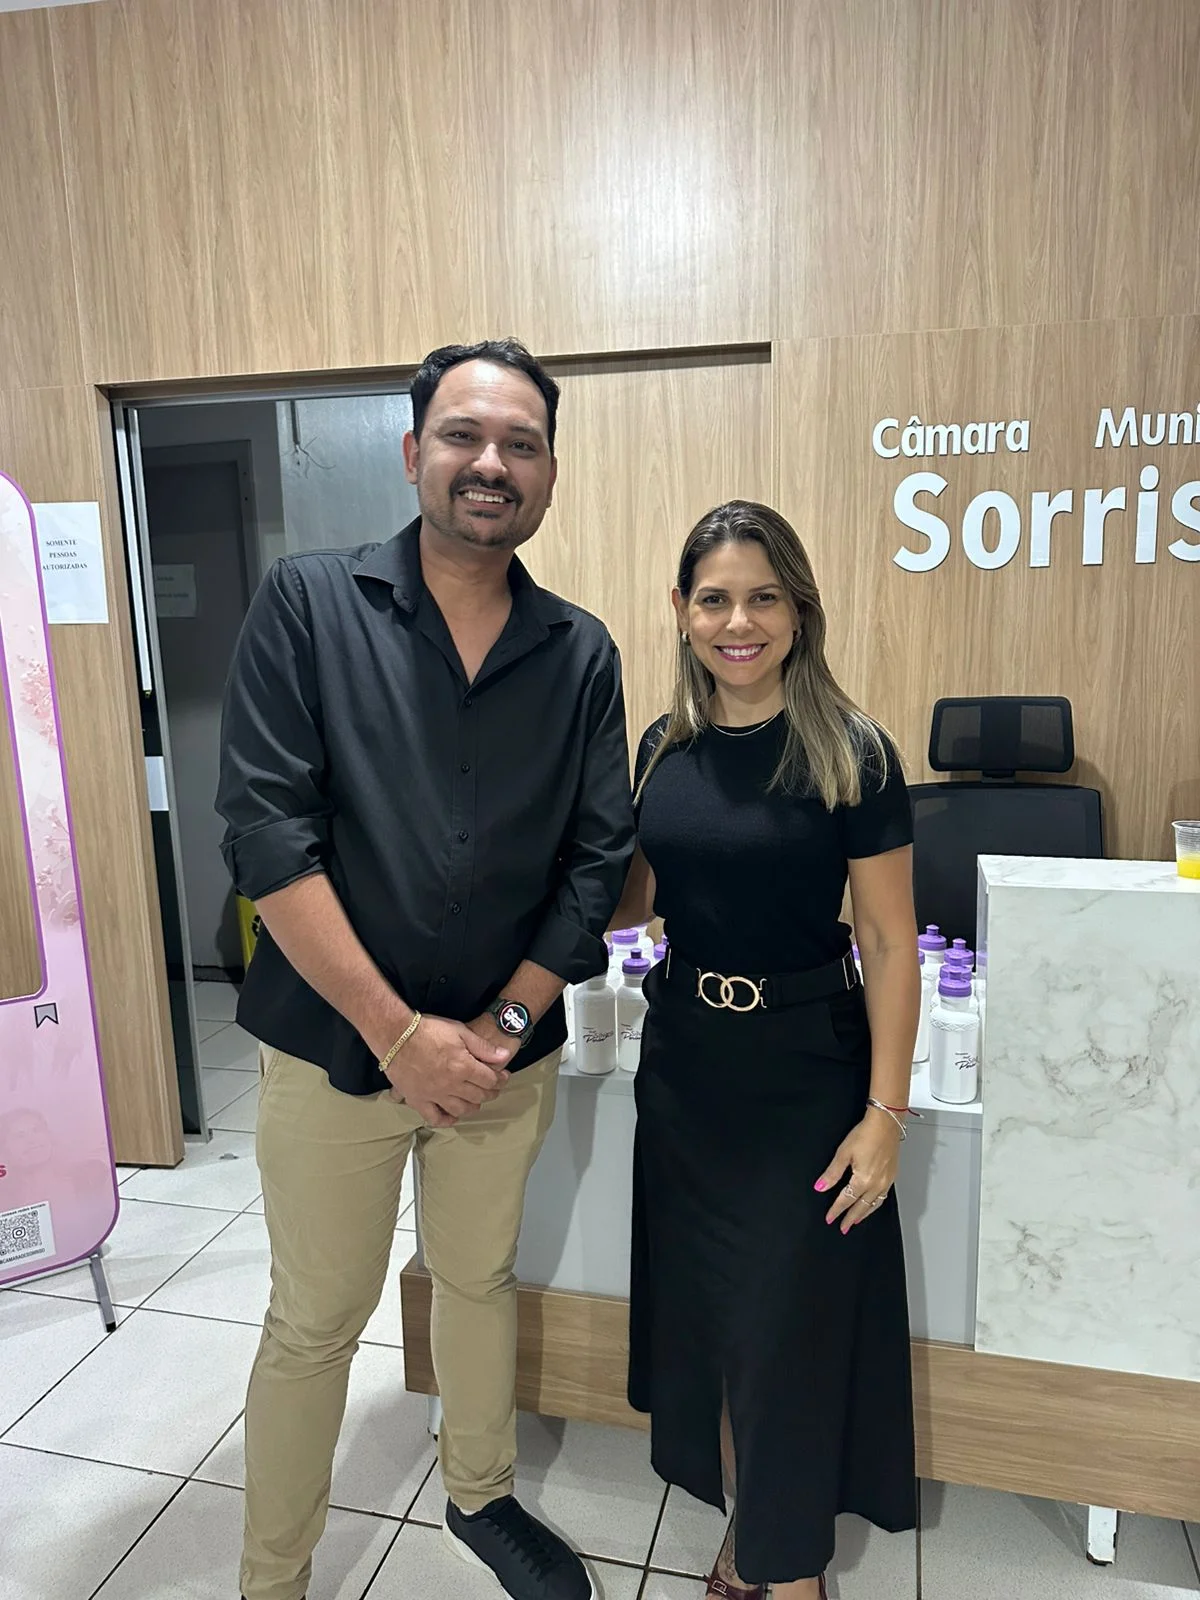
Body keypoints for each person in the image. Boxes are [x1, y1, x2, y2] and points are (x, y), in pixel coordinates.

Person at [216, 339, 635, 1600]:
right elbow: (268, 838)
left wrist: (500, 1027)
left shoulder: (580, 651)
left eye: (521, 443)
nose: (490, 462)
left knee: (478, 1278)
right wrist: (400, 1034)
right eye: (463, 434)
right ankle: (273, 1579)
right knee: (314, 1320)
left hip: (504, 1059)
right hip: (334, 1050)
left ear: (549, 471)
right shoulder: (309, 605)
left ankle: (480, 1494)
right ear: (414, 453)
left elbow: (597, 860)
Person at [612, 501, 919, 1600]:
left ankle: (791, 1576)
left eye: (762, 598)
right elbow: (634, 900)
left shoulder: (853, 750)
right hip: (687, 1069)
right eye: (714, 599)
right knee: (712, 1329)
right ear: (682, 610)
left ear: (798, 610)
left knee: (785, 1338)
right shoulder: (664, 747)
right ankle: (750, 1534)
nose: (737, 622)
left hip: (805, 1076)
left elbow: (889, 940)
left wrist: (886, 1115)